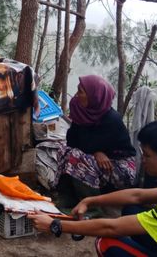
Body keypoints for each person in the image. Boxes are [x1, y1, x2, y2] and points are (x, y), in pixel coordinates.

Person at [29, 119, 157, 257]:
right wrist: (89, 200)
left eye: (148, 155)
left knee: (108, 243)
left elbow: (111, 228)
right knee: (131, 209)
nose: (143, 160)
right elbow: (137, 196)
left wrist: (55, 224)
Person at [54, 75, 137, 207]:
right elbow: (72, 141)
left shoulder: (111, 119)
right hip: (97, 158)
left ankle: (91, 208)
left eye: (80, 92)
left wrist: (97, 152)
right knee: (65, 152)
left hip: (119, 165)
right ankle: (68, 199)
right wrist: (96, 152)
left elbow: (90, 145)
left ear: (95, 97)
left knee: (77, 158)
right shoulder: (82, 111)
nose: (76, 95)